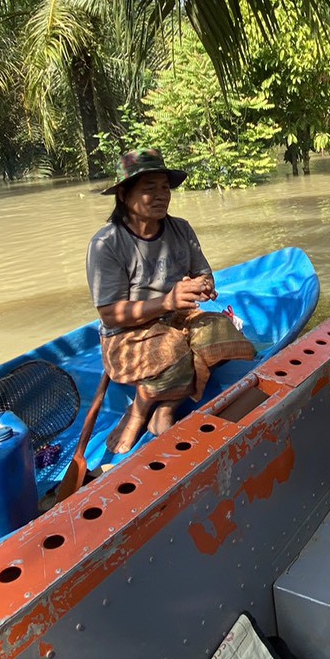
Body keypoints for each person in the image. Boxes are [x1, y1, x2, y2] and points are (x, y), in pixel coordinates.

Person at [86, 148, 254, 455]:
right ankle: (139, 410)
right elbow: (110, 314)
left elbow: (203, 273)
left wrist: (203, 287)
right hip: (128, 334)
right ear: (123, 195)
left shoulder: (181, 228)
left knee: (225, 335)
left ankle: (165, 408)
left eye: (165, 188)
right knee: (175, 351)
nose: (161, 195)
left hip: (179, 318)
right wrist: (167, 302)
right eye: (149, 189)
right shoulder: (106, 244)